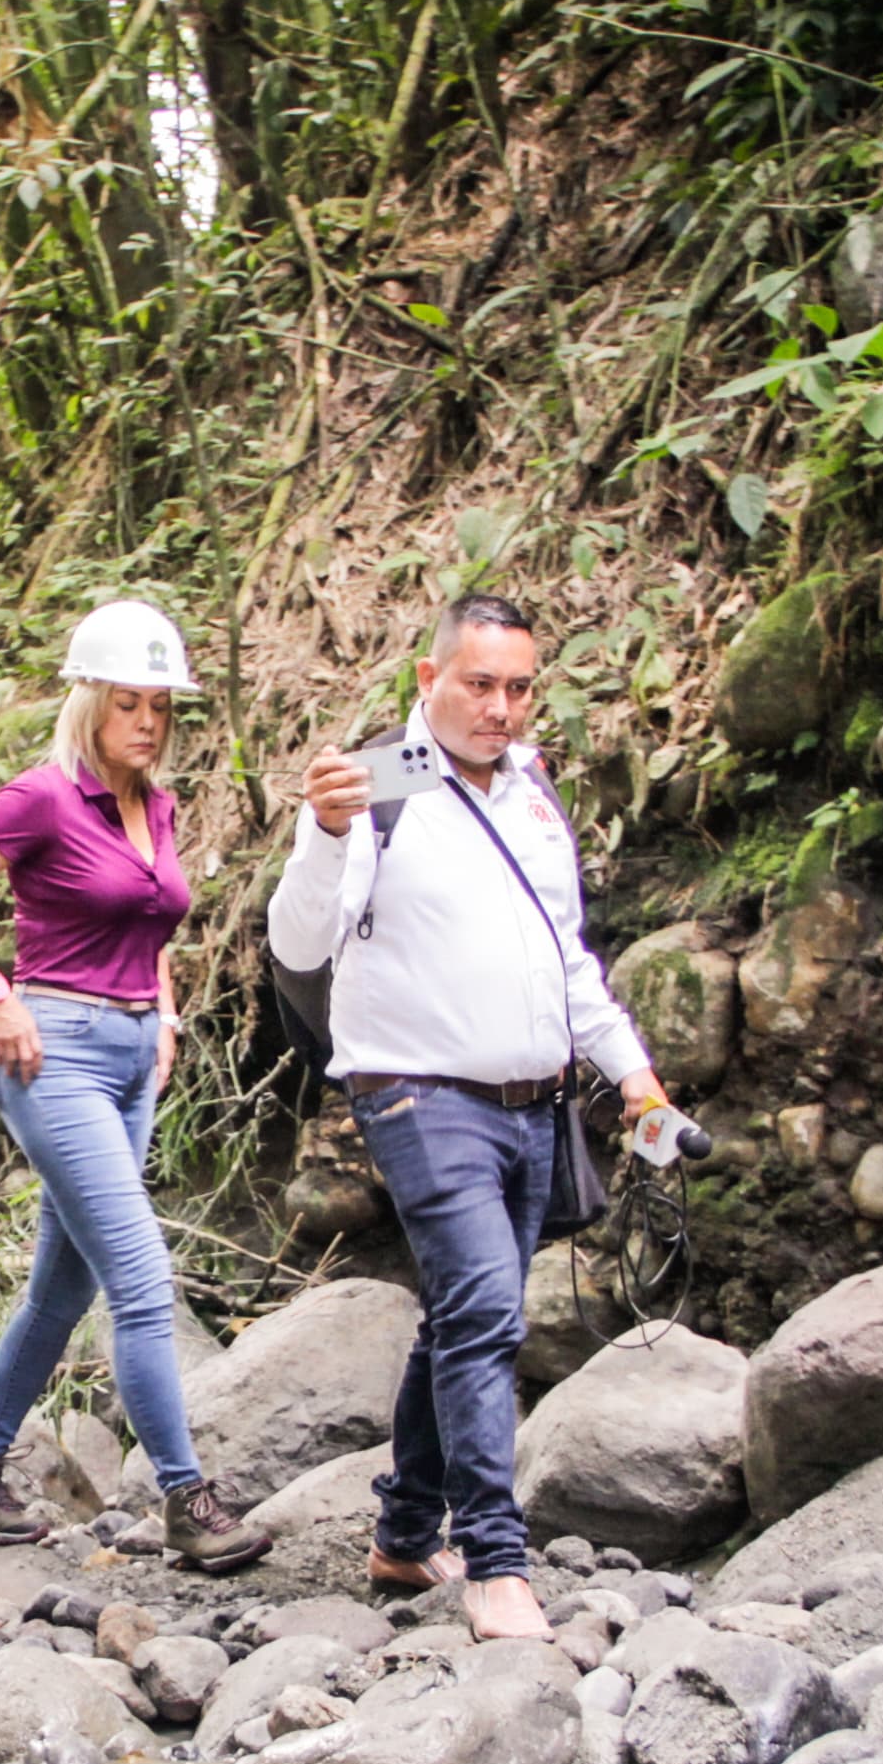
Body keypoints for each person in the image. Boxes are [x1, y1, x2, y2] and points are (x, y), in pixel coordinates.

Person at [267, 594, 679, 1643]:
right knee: (490, 1314)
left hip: (531, 1102)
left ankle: (404, 1532)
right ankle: (495, 1560)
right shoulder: (382, 783)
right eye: (479, 684)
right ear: (427, 679)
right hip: (413, 1091)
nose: (500, 707)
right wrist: (321, 831)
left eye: (517, 687)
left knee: (464, 1310)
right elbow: (300, 941)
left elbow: (563, 955)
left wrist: (632, 1077)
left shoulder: (532, 791)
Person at [0, 602, 270, 1570]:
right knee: (141, 1282)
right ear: (89, 703)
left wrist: (167, 1008)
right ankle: (185, 1500)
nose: (145, 722)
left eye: (159, 705)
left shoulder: (160, 803)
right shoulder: (41, 798)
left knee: (59, 1290)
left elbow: (150, 924)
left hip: (132, 1058)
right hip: (48, 1051)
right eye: (127, 703)